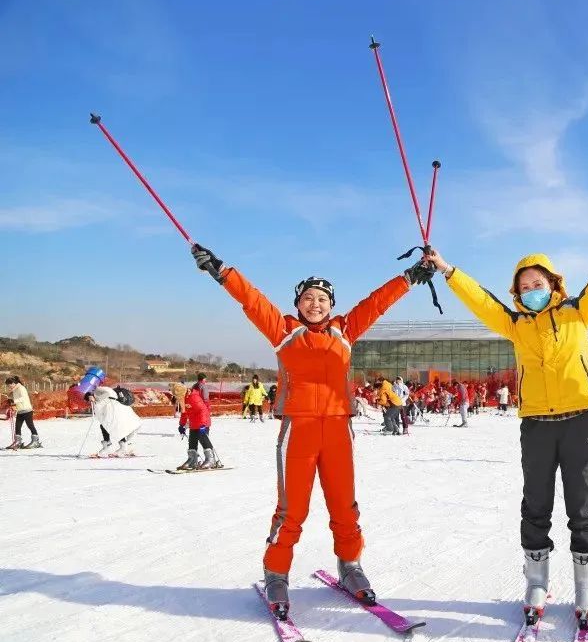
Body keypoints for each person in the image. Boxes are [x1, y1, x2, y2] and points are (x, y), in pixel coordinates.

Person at [425, 203, 588, 629]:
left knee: (582, 505)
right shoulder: (515, 323)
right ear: (517, 293)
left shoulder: (578, 312)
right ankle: (537, 581)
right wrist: (447, 269)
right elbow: (479, 300)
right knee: (536, 504)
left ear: (553, 284)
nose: (531, 290)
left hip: (579, 421)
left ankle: (585, 585)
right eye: (524, 287)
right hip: (537, 426)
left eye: (537, 283)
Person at [189, 241, 431, 619]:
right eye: (308, 298)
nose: (315, 304)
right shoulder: (283, 330)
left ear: (331, 305)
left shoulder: (345, 331)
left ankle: (351, 566)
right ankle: (276, 572)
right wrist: (222, 271)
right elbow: (252, 300)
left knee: (344, 507)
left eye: (322, 298)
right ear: (298, 303)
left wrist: (409, 278)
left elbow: (377, 302)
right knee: (292, 510)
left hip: (338, 430)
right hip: (298, 430)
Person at [177, 379, 221, 470]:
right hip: (193, 422)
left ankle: (211, 460)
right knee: (192, 439)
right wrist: (182, 425)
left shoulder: (194, 397)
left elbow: (203, 411)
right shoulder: (183, 399)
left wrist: (203, 425)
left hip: (203, 421)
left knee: (202, 438)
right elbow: (184, 413)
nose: (177, 397)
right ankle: (192, 460)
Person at [87, 385, 142, 457]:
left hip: (113, 410)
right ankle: (123, 447)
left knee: (113, 426)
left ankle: (115, 447)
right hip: (119, 409)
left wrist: (95, 398)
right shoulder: (108, 392)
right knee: (114, 426)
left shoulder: (99, 390)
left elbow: (106, 394)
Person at [4, 376, 41, 449]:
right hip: (20, 410)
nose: (9, 387)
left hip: (27, 410)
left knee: (30, 425)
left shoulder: (21, 388)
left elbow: (23, 398)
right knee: (17, 426)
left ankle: (35, 441)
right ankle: (18, 442)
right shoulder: (15, 390)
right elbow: (16, 398)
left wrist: (14, 401)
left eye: (9, 385)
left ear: (13, 383)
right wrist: (10, 400)